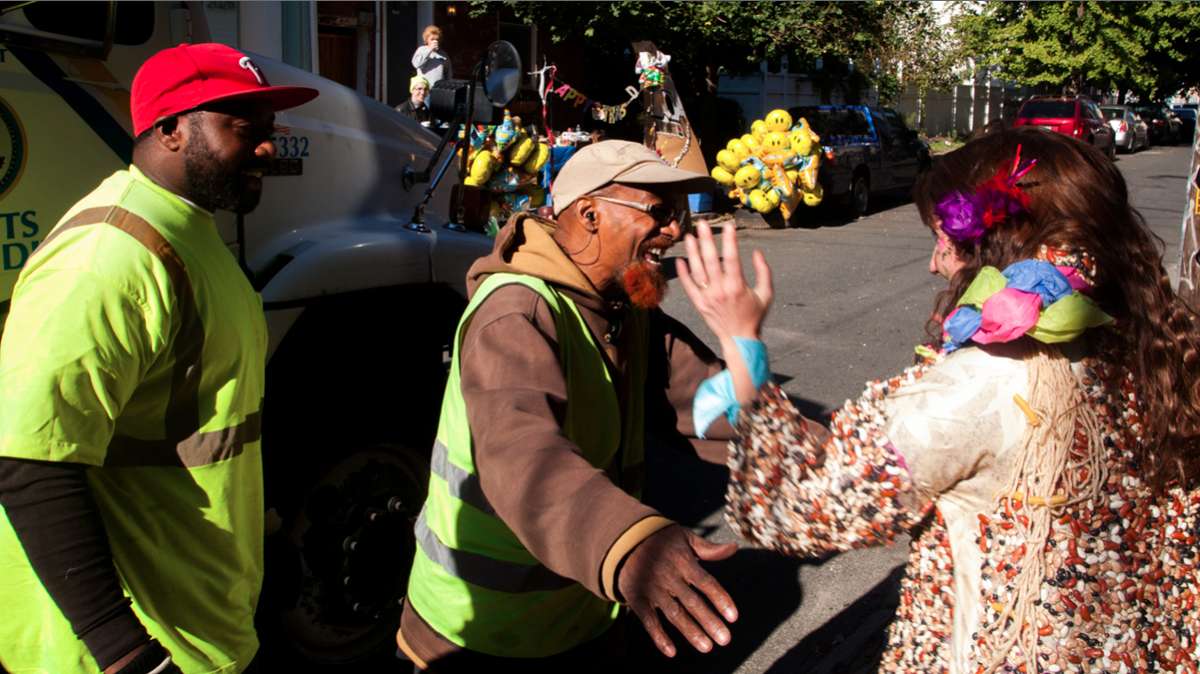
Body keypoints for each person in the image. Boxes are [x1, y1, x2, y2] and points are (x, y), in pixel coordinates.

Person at [677, 126, 1200, 673]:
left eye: (942, 242)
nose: (933, 265)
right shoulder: (1156, 345)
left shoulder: (980, 384)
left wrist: (743, 349)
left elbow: (791, 512)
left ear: (993, 246)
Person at [0, 43, 317, 674]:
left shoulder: (189, 230)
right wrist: (123, 651)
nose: (267, 147)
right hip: (122, 650)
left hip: (202, 619)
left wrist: (267, 535)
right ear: (170, 130)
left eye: (269, 131)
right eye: (241, 127)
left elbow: (219, 420)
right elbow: (29, 464)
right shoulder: (107, 258)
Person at [397, 140, 740, 671]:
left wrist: (836, 447)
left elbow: (706, 401)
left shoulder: (621, 310)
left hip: (578, 618)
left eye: (679, 215)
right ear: (589, 214)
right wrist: (629, 545)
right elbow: (522, 454)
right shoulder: (516, 311)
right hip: (476, 635)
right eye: (659, 212)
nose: (676, 230)